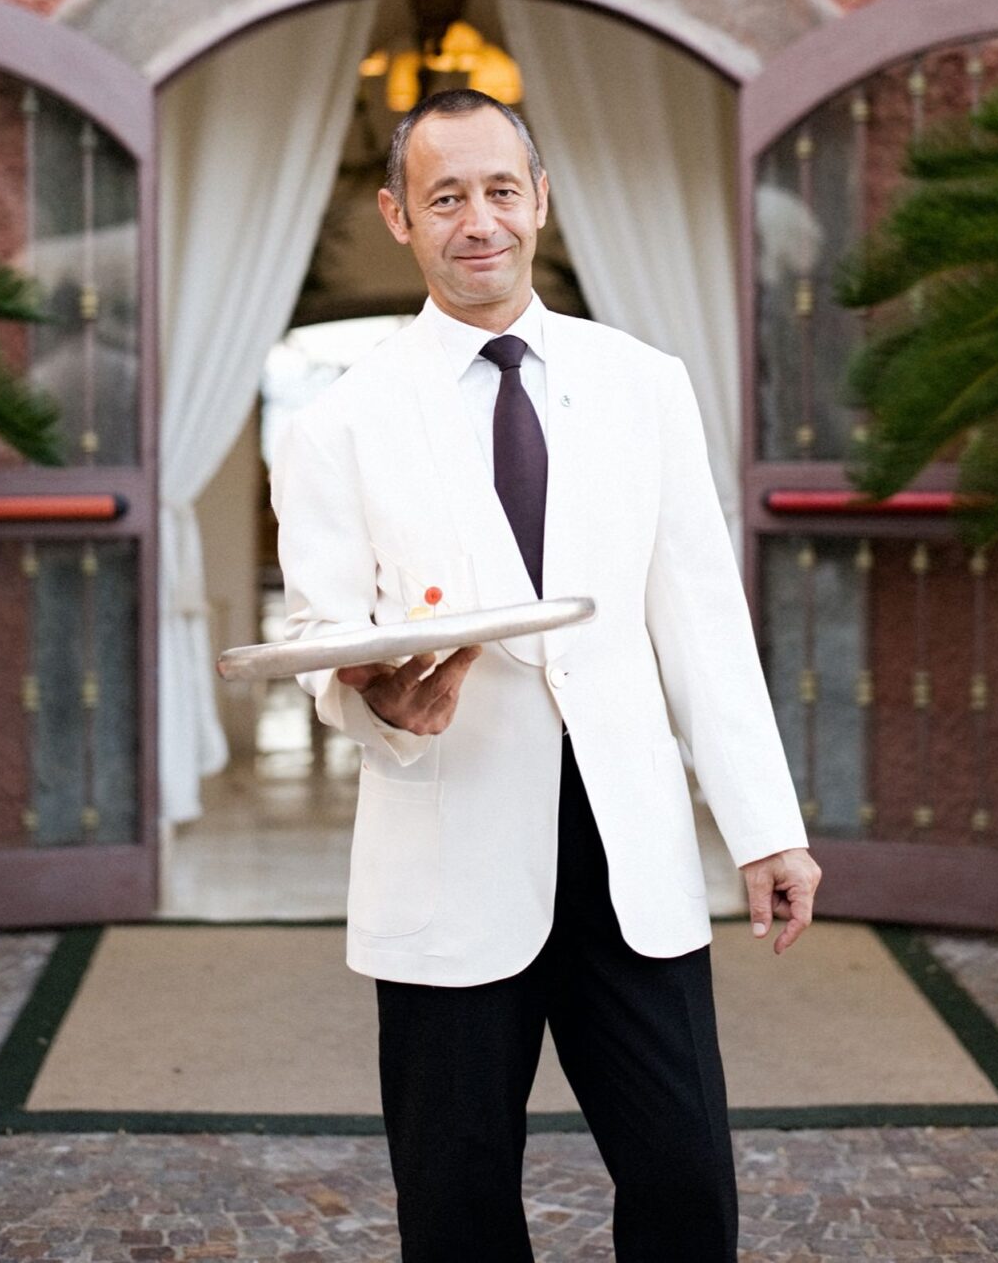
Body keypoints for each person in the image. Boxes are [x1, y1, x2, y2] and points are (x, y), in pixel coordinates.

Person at [271, 88, 821, 1263]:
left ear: (540, 202)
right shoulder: (337, 424)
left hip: (630, 845)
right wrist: (379, 705)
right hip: (448, 849)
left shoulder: (642, 383)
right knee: (455, 1199)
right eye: (446, 195)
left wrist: (764, 827)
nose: (479, 220)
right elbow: (322, 631)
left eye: (500, 190)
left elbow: (700, 618)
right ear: (397, 216)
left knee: (683, 1178)